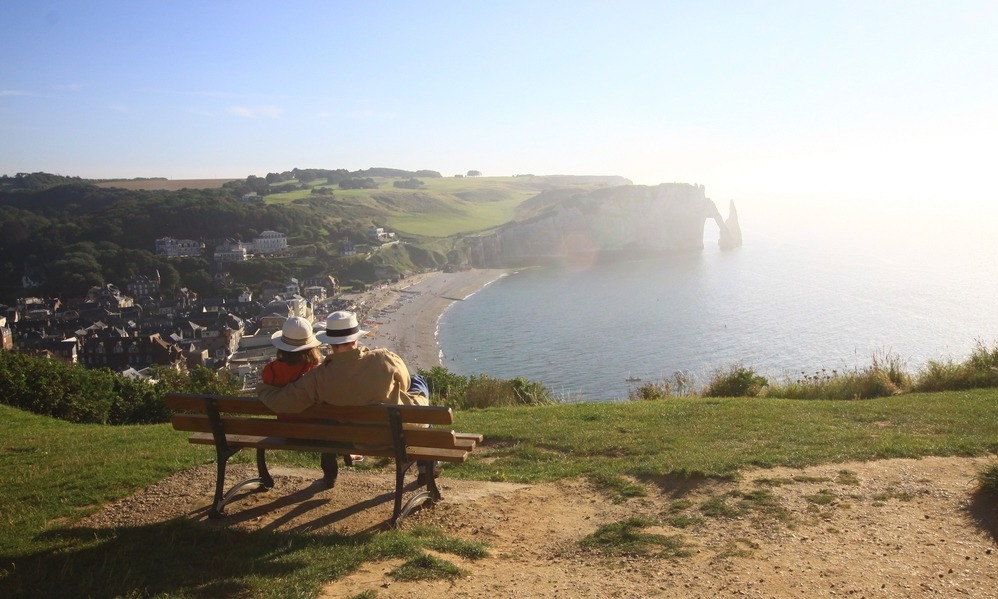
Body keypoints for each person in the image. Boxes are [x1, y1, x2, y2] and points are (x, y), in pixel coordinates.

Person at [256, 310, 431, 483]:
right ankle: (426, 467)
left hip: (360, 439)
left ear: (330, 343)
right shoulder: (383, 358)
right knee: (419, 382)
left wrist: (263, 390)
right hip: (399, 434)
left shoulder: (319, 377)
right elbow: (406, 384)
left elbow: (283, 401)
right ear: (355, 339)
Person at [260, 315, 361, 469]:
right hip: (319, 434)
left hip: (286, 432)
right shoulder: (316, 372)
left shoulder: (270, 370)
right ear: (311, 346)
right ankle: (330, 473)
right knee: (332, 421)